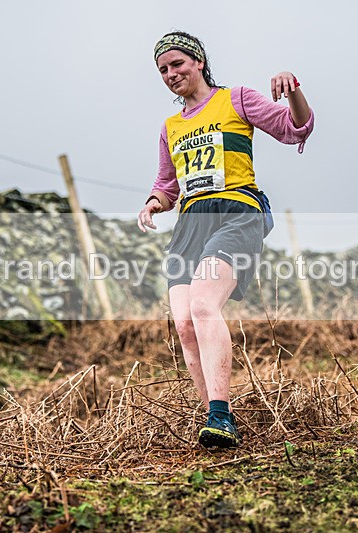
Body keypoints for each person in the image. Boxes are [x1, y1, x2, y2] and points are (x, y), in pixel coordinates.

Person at [137, 31, 314, 448]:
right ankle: (216, 423)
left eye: (177, 64)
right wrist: (152, 203)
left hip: (236, 213)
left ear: (198, 62)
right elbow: (167, 184)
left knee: (202, 305)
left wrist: (294, 90)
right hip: (189, 224)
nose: (170, 74)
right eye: (162, 70)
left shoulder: (236, 99)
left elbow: (296, 128)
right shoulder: (171, 127)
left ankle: (220, 415)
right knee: (183, 325)